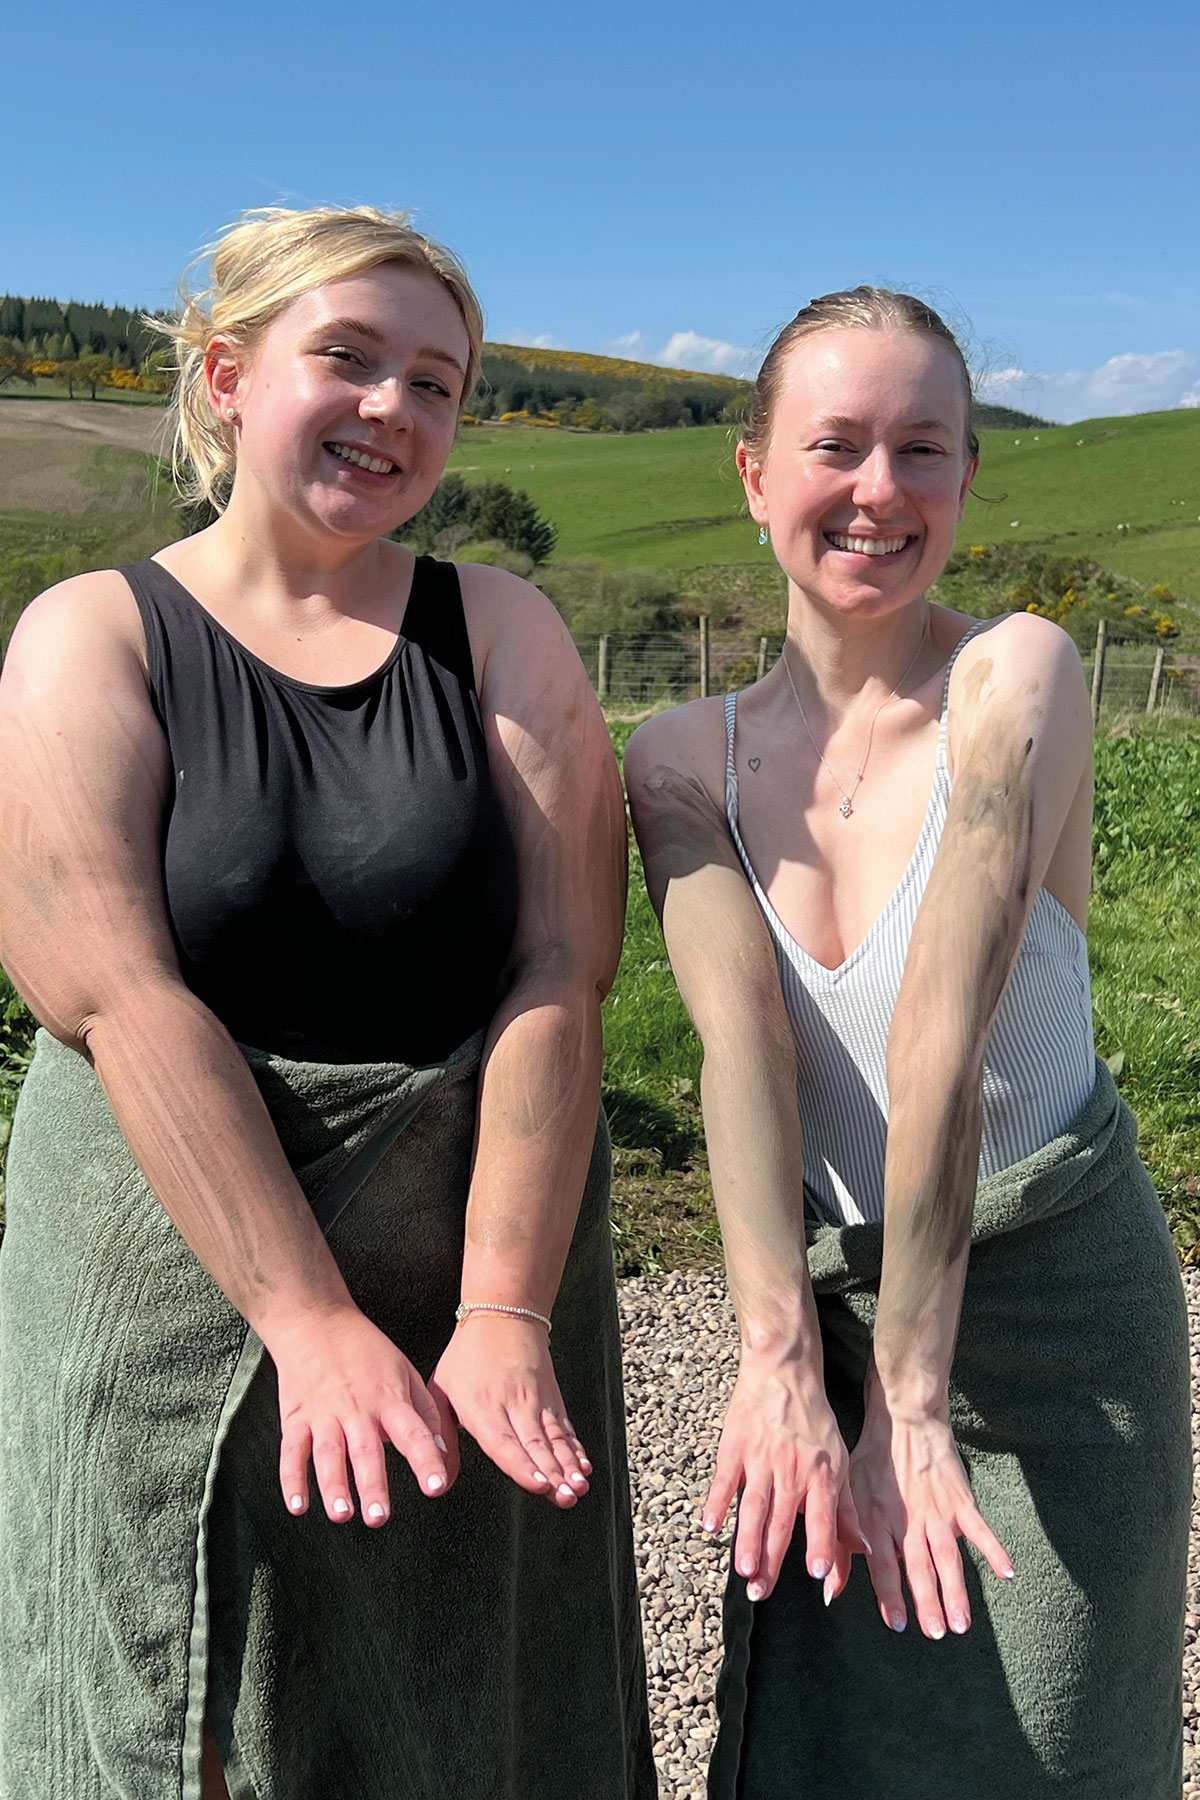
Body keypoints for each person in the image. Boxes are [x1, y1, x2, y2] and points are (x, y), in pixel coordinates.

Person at [0, 205, 655, 1799]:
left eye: (437, 383)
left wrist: (500, 1314)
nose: (394, 411)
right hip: (170, 1270)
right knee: (179, 1698)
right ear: (228, 376)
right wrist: (304, 1321)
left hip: (472, 1277)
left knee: (464, 1694)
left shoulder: (500, 628)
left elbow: (562, 967)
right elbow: (112, 986)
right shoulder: (95, 633)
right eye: (347, 360)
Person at [624, 288, 1189, 1799]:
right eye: (837, 447)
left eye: (922, 450)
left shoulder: (1017, 677)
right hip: (828, 1317)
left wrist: (917, 1400)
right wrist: (781, 1361)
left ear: (966, 480)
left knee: (1061, 1743)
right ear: (754, 477)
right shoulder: (682, 759)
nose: (880, 491)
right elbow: (736, 1042)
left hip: (1058, 1326)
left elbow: (941, 1026)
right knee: (826, 1745)